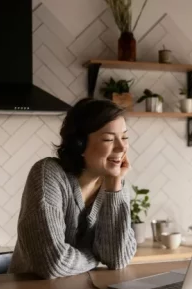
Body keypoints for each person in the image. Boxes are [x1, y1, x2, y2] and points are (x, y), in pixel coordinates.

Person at [8, 98, 137, 279]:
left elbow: (117, 259)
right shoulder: (48, 174)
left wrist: (114, 187)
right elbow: (52, 263)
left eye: (124, 137)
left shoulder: (116, 184)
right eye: (108, 139)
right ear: (80, 145)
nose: (122, 147)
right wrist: (95, 257)